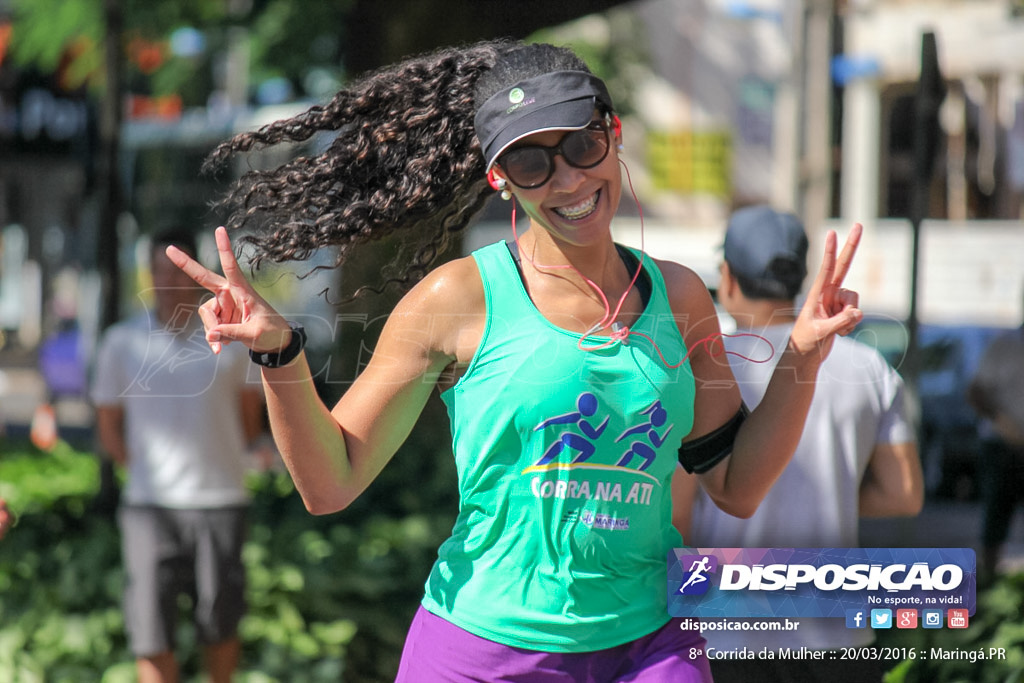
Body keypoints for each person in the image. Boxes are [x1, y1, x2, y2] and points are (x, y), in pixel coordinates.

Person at [167, 40, 863, 682]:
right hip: (484, 650)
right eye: (533, 160)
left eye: (582, 145)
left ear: (613, 136)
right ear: (501, 177)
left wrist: (802, 351)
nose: (567, 177)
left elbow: (734, 484)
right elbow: (330, 481)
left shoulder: (678, 297)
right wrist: (278, 352)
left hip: (648, 645)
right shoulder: (456, 298)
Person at [673, 205, 923, 683]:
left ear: (728, 276)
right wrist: (826, 495)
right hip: (836, 636)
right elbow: (903, 494)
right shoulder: (869, 368)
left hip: (725, 632)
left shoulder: (704, 367)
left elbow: (677, 518)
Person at [91, 229, 265, 683]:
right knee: (151, 633)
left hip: (222, 500)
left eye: (177, 269)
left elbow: (251, 420)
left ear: (194, 273)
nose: (168, 279)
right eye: (159, 269)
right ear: (148, 274)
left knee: (221, 626)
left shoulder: (232, 340)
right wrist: (143, 470)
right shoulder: (121, 342)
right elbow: (107, 423)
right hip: (148, 507)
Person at [967, 289, 1024, 585]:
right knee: (995, 518)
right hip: (1002, 445)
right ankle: (988, 587)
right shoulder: (1004, 344)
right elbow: (976, 392)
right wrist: (1004, 423)